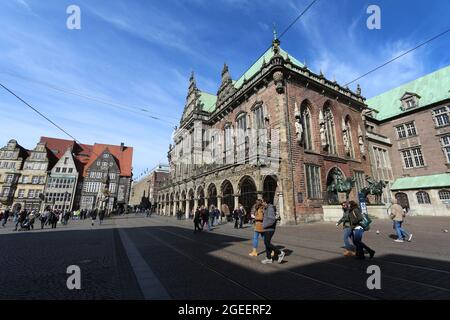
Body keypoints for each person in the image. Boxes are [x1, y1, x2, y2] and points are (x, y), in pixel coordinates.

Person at [261, 200, 285, 264]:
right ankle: (269, 258)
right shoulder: (267, 208)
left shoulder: (270, 208)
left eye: (262, 202)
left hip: (270, 229)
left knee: (267, 243)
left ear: (265, 202)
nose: (262, 204)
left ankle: (280, 253)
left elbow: (272, 220)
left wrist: (264, 225)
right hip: (267, 229)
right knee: (266, 243)